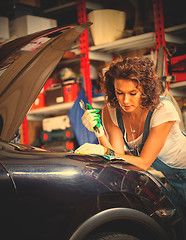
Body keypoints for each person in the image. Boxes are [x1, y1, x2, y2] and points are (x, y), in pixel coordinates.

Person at [75, 57, 186, 222]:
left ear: (145, 90)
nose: (125, 101)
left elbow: (143, 163)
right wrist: (98, 132)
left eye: (133, 93)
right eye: (120, 93)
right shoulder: (111, 112)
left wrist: (103, 151)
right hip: (171, 179)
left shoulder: (162, 110)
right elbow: (116, 159)